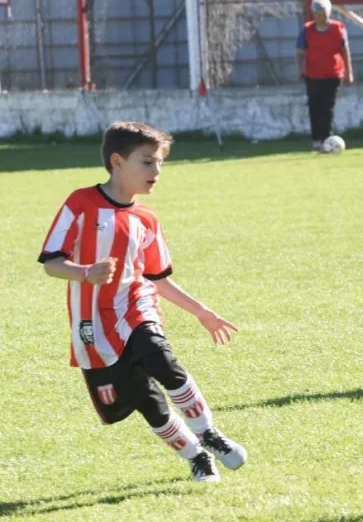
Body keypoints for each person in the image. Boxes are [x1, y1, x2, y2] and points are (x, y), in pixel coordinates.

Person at [37, 122, 246, 483]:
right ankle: (195, 456)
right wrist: (86, 273)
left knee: (159, 356)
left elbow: (157, 279)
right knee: (144, 398)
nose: (156, 171)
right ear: (117, 161)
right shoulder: (80, 203)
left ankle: (207, 431)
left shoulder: (147, 218)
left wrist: (203, 313)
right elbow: (52, 263)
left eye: (160, 163)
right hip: (92, 323)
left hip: (135, 305)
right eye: (147, 162)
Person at [296, 0, 353, 152]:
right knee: (314, 106)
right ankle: (316, 140)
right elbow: (300, 52)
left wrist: (349, 72)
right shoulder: (307, 30)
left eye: (324, 13)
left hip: (333, 74)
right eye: (318, 14)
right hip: (313, 74)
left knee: (328, 106)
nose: (321, 17)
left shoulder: (338, 29)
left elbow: (345, 51)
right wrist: (300, 68)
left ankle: (327, 139)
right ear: (314, 14)